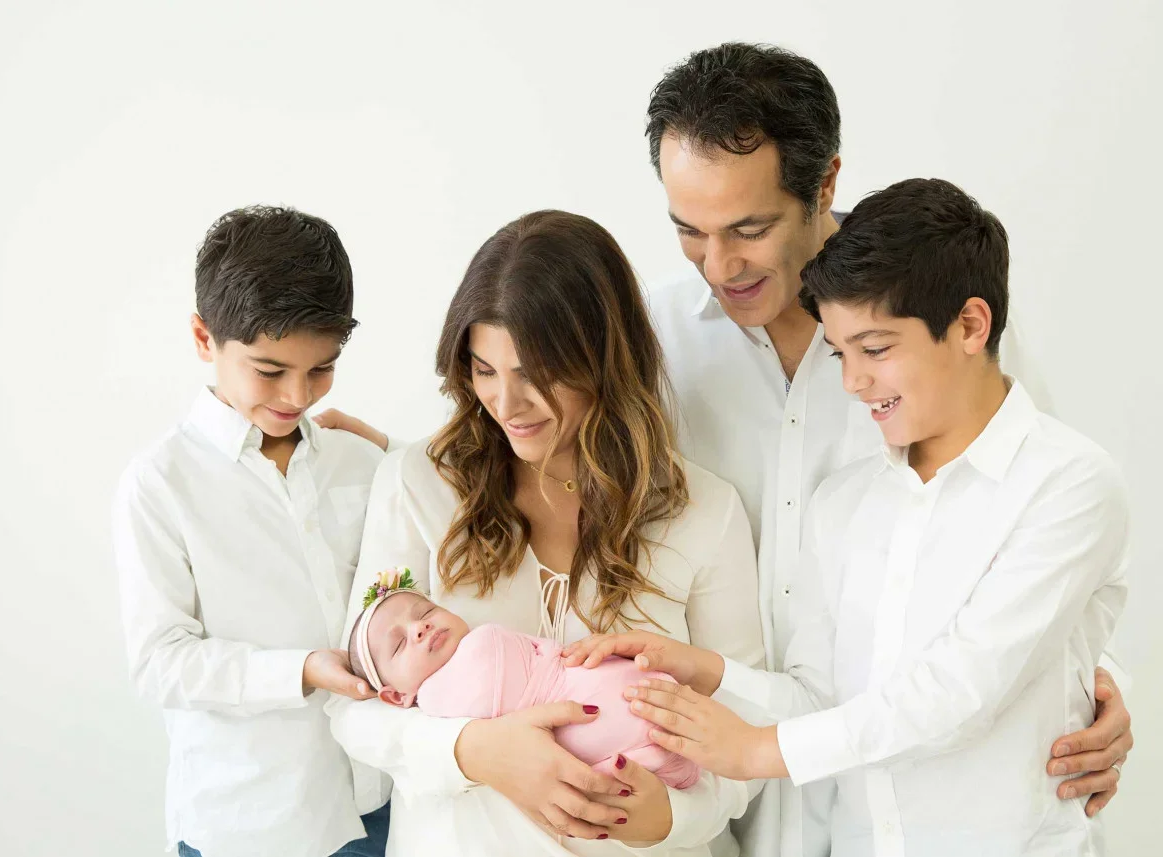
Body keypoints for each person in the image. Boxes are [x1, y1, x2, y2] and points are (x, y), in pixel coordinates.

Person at [568, 178, 1130, 856]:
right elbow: (821, 698)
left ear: (971, 326)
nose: (852, 382)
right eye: (841, 353)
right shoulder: (846, 504)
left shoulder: (1068, 482)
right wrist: (710, 672)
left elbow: (961, 689)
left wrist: (757, 750)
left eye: (877, 348)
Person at [325, 210, 765, 856]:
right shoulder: (417, 483)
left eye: (535, 372)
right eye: (484, 369)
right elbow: (352, 704)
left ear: (604, 360)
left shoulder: (705, 512)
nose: (506, 403)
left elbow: (748, 726)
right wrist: (473, 750)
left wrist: (668, 816)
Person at [112, 206, 391, 857]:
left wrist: (394, 451)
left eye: (321, 367)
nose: (298, 393)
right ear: (204, 338)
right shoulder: (160, 483)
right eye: (270, 370)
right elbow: (160, 662)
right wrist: (302, 671)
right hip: (250, 824)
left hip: (375, 802)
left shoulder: (360, 461)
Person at [345, 570, 701, 788]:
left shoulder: (477, 639)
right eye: (399, 644)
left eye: (425, 612)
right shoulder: (435, 706)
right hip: (604, 743)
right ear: (396, 697)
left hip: (626, 685)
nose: (419, 628)